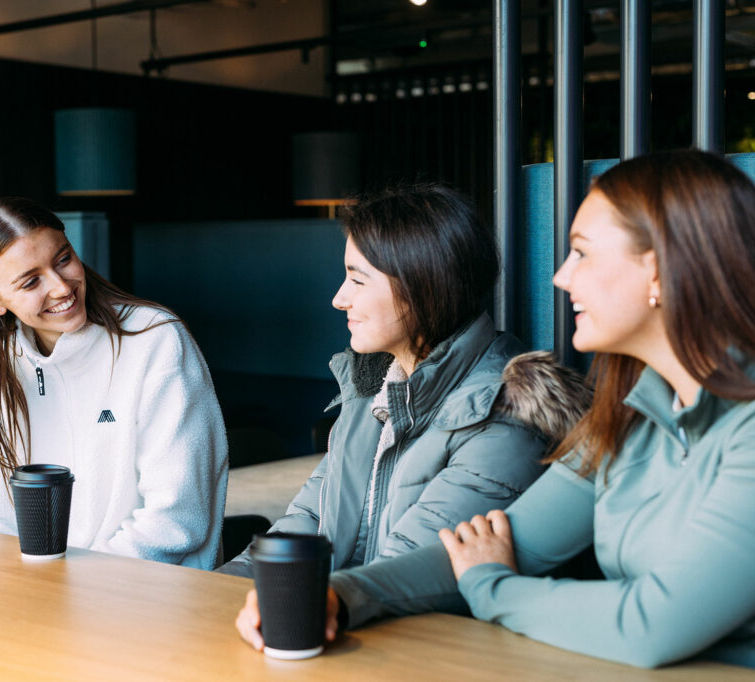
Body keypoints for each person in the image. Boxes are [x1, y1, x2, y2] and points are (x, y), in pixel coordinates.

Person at [236, 150, 755, 669]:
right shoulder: (626, 418)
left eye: (582, 254)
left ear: (661, 271)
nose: (561, 278)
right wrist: (340, 596)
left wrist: (491, 586)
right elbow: (486, 547)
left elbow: (648, 624)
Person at [218, 184, 589, 578]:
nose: (339, 299)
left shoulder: (504, 413)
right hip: (338, 616)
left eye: (357, 281)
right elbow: (306, 521)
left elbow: (399, 576)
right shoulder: (372, 389)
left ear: (422, 287)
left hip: (410, 632)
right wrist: (221, 593)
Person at [0, 197, 228, 569]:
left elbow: (175, 520)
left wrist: (65, 590)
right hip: (38, 599)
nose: (62, 287)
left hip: (150, 596)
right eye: (31, 281)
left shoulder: (154, 339)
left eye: (63, 259)